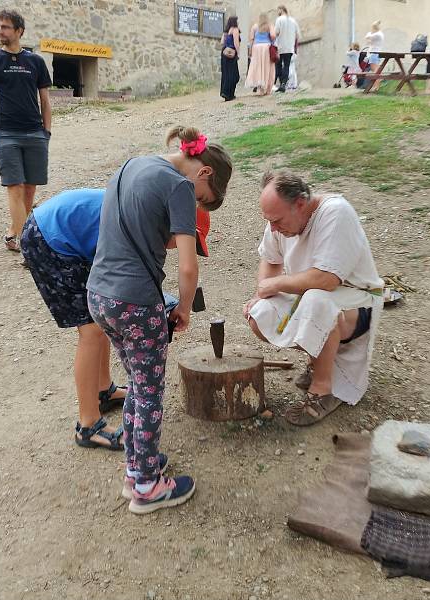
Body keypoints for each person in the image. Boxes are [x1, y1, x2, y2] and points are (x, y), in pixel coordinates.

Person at [87, 126, 233, 514]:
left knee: (137, 382)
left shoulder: (131, 164)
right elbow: (188, 267)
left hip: (99, 295)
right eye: (204, 199)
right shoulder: (180, 187)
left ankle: (137, 470)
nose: (196, 203)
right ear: (204, 173)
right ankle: (148, 488)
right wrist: (183, 308)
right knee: (149, 391)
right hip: (135, 301)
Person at [20, 190, 213, 454]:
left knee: (101, 320)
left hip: (74, 237)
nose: (177, 246)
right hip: (50, 238)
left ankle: (103, 391)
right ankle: (88, 426)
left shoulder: (150, 219)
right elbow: (126, 285)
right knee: (91, 330)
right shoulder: (141, 227)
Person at [243, 171, 384, 427]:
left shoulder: (336, 213)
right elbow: (270, 258)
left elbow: (326, 280)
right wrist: (260, 294)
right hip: (311, 295)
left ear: (300, 203)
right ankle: (318, 359)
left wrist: (274, 284)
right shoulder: (279, 217)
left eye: (277, 220)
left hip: (358, 300)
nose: (273, 227)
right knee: (260, 314)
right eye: (269, 221)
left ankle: (323, 389)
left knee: (316, 300)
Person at [0, 9, 52, 253]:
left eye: (5, 27)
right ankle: (26, 243)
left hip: (35, 133)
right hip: (7, 135)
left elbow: (45, 100)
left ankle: (15, 231)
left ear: (19, 31)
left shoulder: (36, 62)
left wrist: (47, 131)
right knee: (15, 186)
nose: (0, 31)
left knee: (30, 187)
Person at [245, 12, 275, 95]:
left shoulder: (255, 26)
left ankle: (260, 89)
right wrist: (272, 41)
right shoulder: (269, 25)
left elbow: (251, 39)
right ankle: (268, 89)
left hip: (256, 48)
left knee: (258, 68)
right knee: (267, 67)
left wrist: (250, 50)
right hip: (266, 47)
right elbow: (273, 35)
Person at [274, 5, 301, 93]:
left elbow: (276, 32)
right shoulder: (293, 20)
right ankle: (283, 84)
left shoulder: (279, 20)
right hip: (289, 47)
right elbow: (297, 35)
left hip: (280, 46)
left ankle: (281, 83)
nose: (277, 12)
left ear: (281, 10)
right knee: (286, 66)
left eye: (278, 10)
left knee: (278, 66)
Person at [220, 16, 241, 102]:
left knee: (226, 74)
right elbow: (236, 43)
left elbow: (222, 42)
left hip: (224, 53)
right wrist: (238, 52)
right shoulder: (235, 30)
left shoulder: (226, 31)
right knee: (234, 75)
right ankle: (230, 94)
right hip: (231, 54)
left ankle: (225, 92)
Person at [365, 20, 385, 92]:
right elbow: (368, 39)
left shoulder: (377, 34)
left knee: (375, 71)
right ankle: (376, 86)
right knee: (376, 70)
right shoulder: (379, 34)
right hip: (376, 53)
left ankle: (375, 86)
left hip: (374, 53)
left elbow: (367, 37)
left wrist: (370, 35)